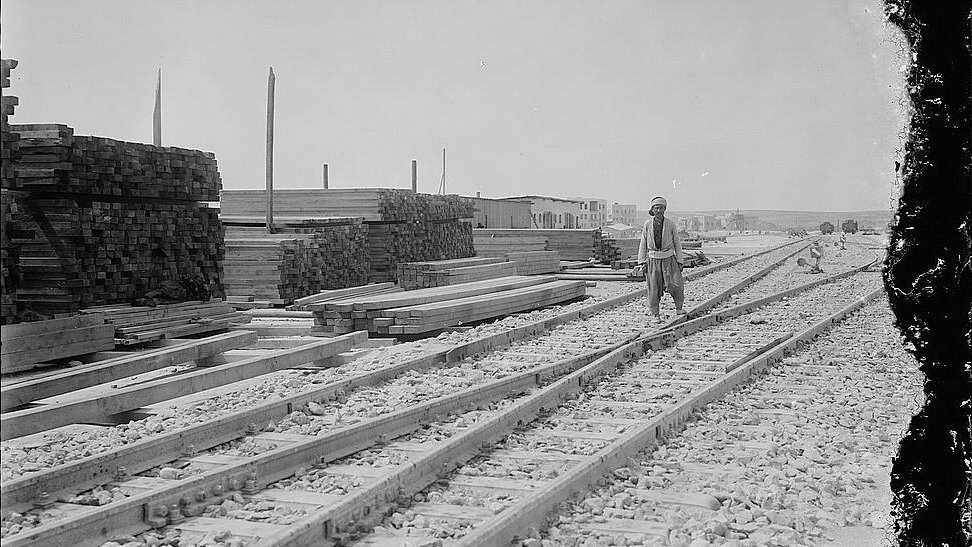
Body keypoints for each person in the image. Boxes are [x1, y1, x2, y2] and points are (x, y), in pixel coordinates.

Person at [636, 196, 685, 324]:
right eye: (656, 208)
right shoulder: (647, 224)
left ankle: (679, 308)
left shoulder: (670, 224)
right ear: (652, 210)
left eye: (661, 208)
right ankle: (655, 315)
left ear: (665, 209)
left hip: (669, 259)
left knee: (676, 284)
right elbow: (643, 243)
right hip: (652, 260)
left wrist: (680, 260)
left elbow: (677, 243)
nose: (659, 210)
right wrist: (641, 261)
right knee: (653, 287)